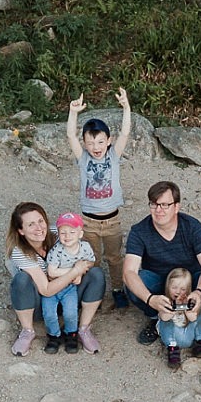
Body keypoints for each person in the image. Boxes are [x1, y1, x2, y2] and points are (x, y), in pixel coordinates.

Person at [123, 181, 201, 381]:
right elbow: (129, 271)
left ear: (176, 206)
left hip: (190, 280)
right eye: (154, 204)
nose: (159, 210)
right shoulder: (140, 231)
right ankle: (157, 318)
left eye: (165, 204)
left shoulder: (191, 226)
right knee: (134, 284)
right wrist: (150, 299)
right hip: (160, 283)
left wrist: (198, 293)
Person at [6, 202, 103, 356]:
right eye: (31, 224)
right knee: (21, 280)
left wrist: (79, 273)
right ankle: (27, 331)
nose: (39, 228)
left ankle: (83, 329)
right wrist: (74, 272)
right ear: (21, 231)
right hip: (40, 301)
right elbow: (45, 290)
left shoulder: (59, 234)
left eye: (40, 221)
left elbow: (88, 259)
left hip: (70, 294)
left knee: (96, 274)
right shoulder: (19, 252)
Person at [67, 88, 133, 309]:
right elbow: (70, 135)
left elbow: (125, 133)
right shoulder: (83, 158)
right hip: (89, 222)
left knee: (114, 258)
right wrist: (73, 112)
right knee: (91, 259)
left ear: (108, 141)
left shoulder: (113, 156)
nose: (96, 147)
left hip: (112, 220)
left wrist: (126, 107)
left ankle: (117, 289)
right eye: (91, 142)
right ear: (85, 143)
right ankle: (91, 291)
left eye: (100, 142)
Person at [42, 212, 97, 354]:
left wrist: (80, 272)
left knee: (71, 312)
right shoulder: (57, 250)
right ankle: (54, 335)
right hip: (52, 286)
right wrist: (74, 272)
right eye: (63, 233)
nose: (67, 236)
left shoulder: (84, 247)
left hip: (69, 288)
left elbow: (91, 262)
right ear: (58, 234)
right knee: (49, 313)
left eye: (72, 232)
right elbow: (52, 272)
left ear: (80, 233)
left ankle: (71, 334)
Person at [156, 267, 201, 370]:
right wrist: (174, 307)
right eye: (174, 287)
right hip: (173, 336)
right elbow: (164, 317)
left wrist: (188, 310)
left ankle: (200, 343)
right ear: (168, 286)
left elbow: (193, 319)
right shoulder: (164, 301)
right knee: (166, 322)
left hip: (189, 334)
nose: (178, 292)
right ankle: (173, 349)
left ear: (188, 290)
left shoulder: (190, 302)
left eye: (182, 289)